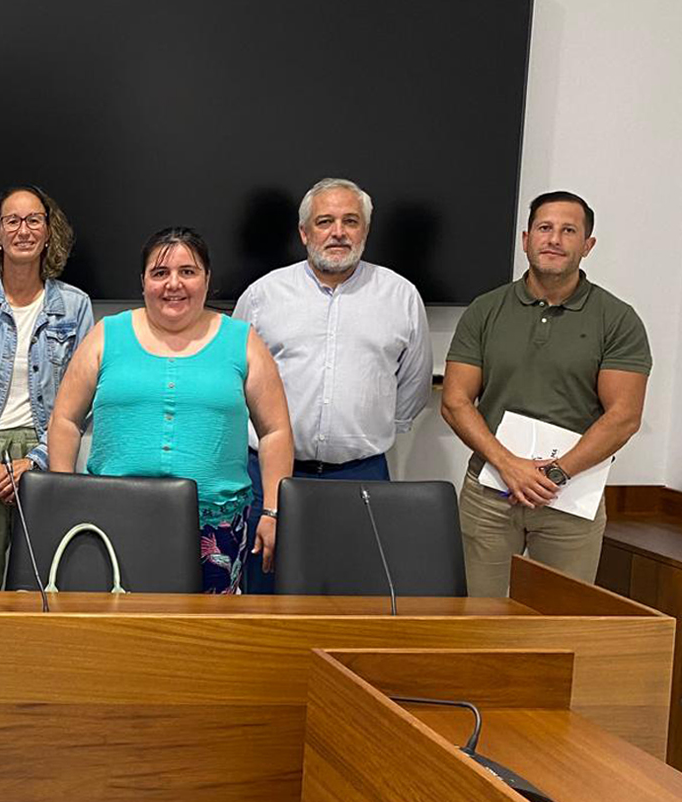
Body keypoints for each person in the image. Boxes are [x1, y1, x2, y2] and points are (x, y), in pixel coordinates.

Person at [49, 227, 292, 594]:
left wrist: (272, 511)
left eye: (188, 272)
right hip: (110, 517)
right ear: (143, 281)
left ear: (207, 279)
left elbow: (275, 431)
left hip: (216, 530)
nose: (173, 284)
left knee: (204, 640)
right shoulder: (106, 334)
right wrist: (63, 496)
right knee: (116, 636)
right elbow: (65, 420)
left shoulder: (242, 340)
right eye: (160, 273)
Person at [441, 190, 650, 596]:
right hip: (489, 494)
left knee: (561, 621)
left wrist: (555, 474)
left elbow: (623, 415)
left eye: (568, 230)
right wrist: (509, 465)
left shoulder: (618, 319)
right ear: (525, 239)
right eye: (545, 228)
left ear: (587, 246)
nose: (554, 239)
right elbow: (455, 402)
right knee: (478, 620)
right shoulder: (485, 310)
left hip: (571, 496)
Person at [233, 177, 431, 593]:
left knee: (355, 596)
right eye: (325, 221)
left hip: (362, 476)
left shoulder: (401, 297)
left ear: (366, 231)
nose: (338, 232)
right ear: (304, 233)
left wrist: (359, 432)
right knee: (263, 595)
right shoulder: (263, 295)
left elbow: (412, 386)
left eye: (350, 221)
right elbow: (236, 382)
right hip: (271, 477)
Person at [0, 185, 93, 590]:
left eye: (33, 220)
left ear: (47, 230)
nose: (23, 230)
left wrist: (38, 458)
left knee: (43, 593)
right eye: (12, 220)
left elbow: (84, 398)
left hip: (47, 458)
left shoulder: (76, 306)